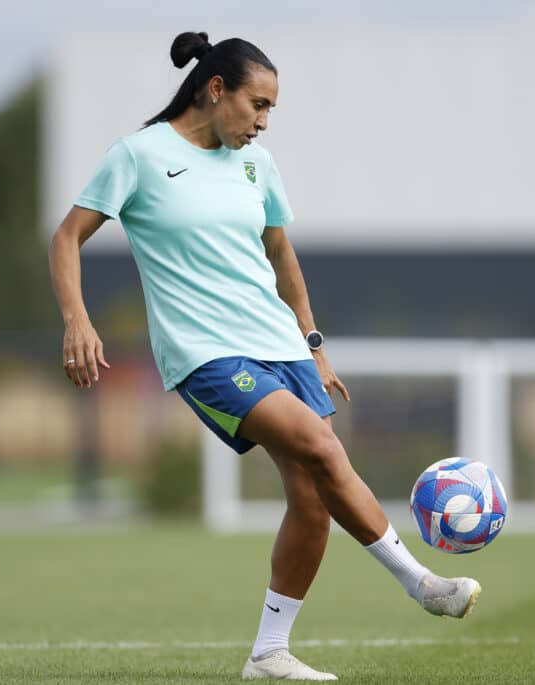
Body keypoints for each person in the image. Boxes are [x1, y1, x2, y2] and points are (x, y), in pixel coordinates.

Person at [48, 31, 481, 682]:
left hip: (282, 346)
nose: (263, 121)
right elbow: (66, 236)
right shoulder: (138, 156)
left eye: (272, 109)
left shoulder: (258, 164)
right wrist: (77, 320)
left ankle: (269, 653)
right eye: (258, 104)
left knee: (310, 496)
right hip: (207, 354)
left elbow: (282, 257)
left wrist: (314, 346)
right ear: (215, 90)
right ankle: (422, 583)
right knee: (322, 447)